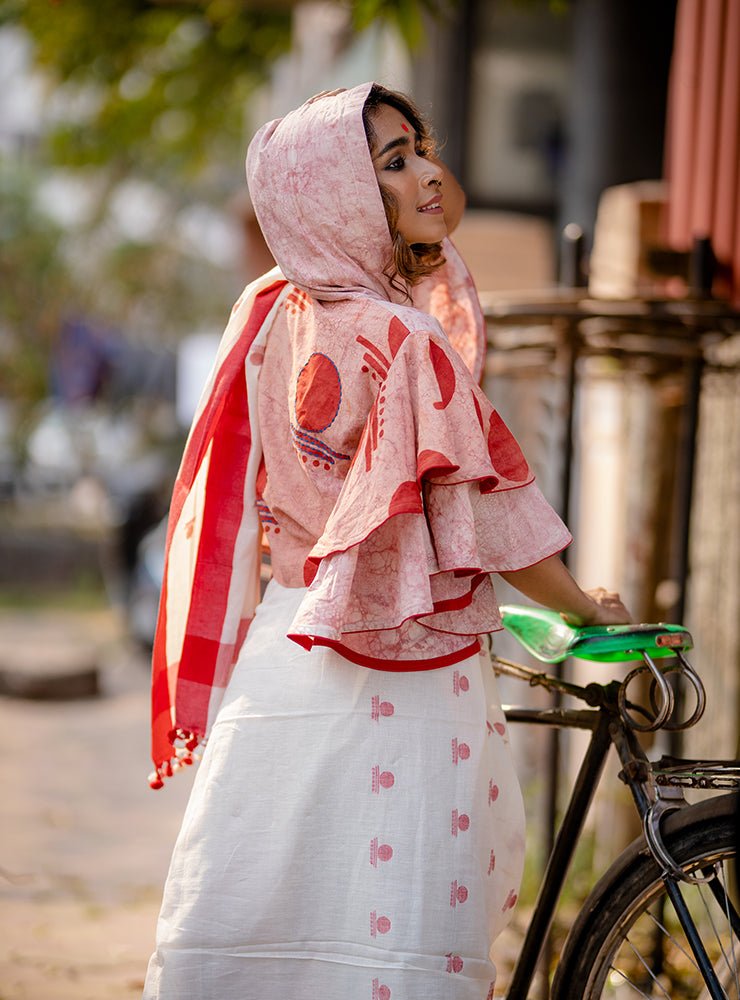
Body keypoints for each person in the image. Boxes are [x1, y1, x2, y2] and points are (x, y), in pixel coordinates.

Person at [143, 83, 630, 1000]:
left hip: (282, 667)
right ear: (330, 196)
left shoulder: (265, 321)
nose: (430, 175)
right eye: (393, 162)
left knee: (264, 937)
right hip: (401, 681)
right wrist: (584, 605)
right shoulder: (406, 338)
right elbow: (494, 520)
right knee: (392, 944)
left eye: (422, 149)